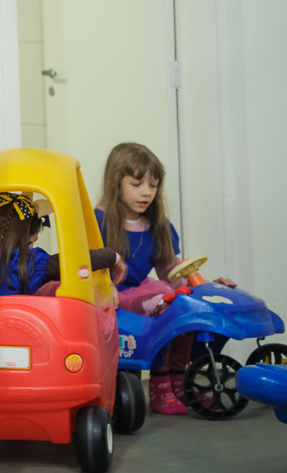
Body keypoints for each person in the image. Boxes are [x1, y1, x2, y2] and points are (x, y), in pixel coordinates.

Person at [95, 142, 234, 414]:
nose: (146, 192)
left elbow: (169, 271)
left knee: (184, 306)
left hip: (146, 292)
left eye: (153, 185)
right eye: (136, 184)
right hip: (114, 293)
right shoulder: (98, 221)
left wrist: (202, 289)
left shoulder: (157, 224)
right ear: (116, 183)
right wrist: (105, 285)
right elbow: (87, 265)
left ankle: (179, 382)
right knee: (166, 304)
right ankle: (160, 389)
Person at [0, 192, 123, 301]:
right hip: (21, 343)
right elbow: (73, 260)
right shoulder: (25, 265)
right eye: (31, 243)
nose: (31, 248)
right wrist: (111, 256)